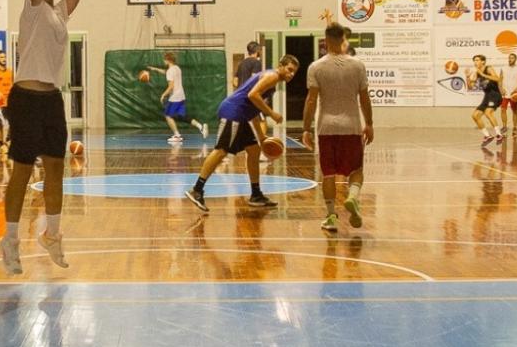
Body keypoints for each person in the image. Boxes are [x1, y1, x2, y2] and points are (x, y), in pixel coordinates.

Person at [0, 0, 86, 275]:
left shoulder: (60, 13)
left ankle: (52, 235)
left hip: (51, 99)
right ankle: (10, 239)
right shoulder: (33, 8)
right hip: (25, 98)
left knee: (55, 170)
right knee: (22, 171)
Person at [185, 54, 300, 213]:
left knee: (254, 149)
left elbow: (253, 108)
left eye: (294, 72)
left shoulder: (271, 80)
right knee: (221, 151)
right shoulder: (272, 76)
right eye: (289, 69)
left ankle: (256, 194)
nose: (291, 74)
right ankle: (196, 190)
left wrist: (261, 137)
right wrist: (272, 114)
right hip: (233, 112)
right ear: (280, 66)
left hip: (242, 114)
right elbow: (253, 95)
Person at [301, 23, 374, 234]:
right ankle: (352, 196)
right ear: (343, 40)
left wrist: (306, 128)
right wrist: (369, 123)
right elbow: (364, 98)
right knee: (356, 170)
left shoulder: (316, 67)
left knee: (328, 174)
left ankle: (331, 217)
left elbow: (311, 100)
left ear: (325, 41)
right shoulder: (357, 66)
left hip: (326, 128)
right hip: (351, 126)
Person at [143, 51, 207, 143]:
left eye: (164, 59)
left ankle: (177, 136)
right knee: (182, 116)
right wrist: (154, 69)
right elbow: (166, 72)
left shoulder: (170, 71)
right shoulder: (177, 68)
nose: (163, 61)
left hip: (175, 97)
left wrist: (163, 95)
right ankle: (201, 127)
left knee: (168, 116)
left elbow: (171, 86)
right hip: (181, 96)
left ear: (168, 60)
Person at [469, 54, 503, 145]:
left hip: (495, 95)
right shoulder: (477, 73)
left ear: (483, 61)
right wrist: (469, 78)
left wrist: (483, 74)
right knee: (475, 115)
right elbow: (471, 87)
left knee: (488, 113)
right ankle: (488, 136)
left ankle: (499, 135)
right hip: (487, 96)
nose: (475, 62)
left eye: (477, 60)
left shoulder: (488, 68)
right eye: (474, 61)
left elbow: (497, 79)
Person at [500, 51, 517, 135]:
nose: (510, 59)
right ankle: (504, 126)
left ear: (515, 59)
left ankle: (515, 127)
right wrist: (501, 89)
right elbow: (500, 80)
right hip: (505, 93)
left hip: (514, 94)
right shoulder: (503, 68)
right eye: (509, 58)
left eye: (512, 58)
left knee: (514, 111)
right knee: (503, 109)